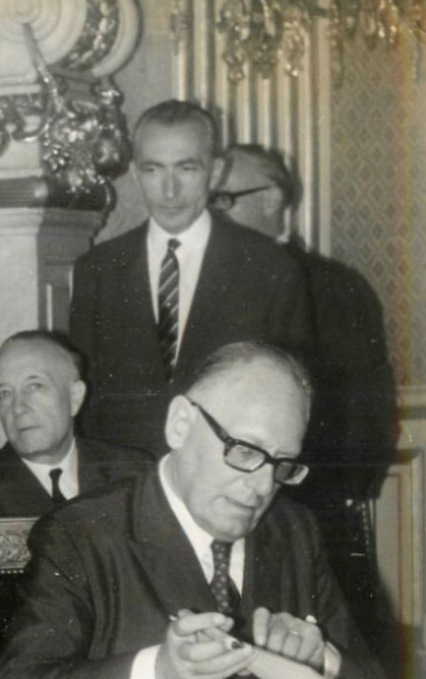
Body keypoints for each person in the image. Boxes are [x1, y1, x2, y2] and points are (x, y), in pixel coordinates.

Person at [0, 342, 386, 679]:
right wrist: (161, 675)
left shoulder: (295, 530)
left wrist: (319, 660)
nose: (264, 486)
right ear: (180, 424)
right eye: (245, 451)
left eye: (282, 464)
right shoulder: (83, 533)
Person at [213, 144, 399, 663]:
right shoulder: (212, 280)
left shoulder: (334, 287)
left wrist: (314, 496)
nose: (211, 210)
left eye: (224, 197)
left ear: (272, 198)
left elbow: (365, 417)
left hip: (308, 505)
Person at [70, 100, 311, 457]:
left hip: (229, 479)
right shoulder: (98, 269)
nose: (170, 191)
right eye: (154, 170)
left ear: (215, 173)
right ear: (135, 174)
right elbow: (85, 404)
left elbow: (293, 400)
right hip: (126, 487)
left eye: (186, 169)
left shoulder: (269, 269)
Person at [0, 331, 152, 518]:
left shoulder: (134, 475)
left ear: (75, 397)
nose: (18, 407)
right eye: (5, 393)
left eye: (35, 386)